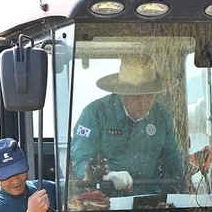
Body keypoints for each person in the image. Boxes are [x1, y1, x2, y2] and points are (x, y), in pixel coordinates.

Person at [70, 58, 185, 195]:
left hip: (150, 198)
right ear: (121, 93)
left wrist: (191, 167)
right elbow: (80, 158)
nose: (144, 102)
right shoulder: (94, 114)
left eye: (149, 94)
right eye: (137, 96)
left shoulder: (163, 117)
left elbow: (174, 160)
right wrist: (106, 175)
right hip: (104, 199)